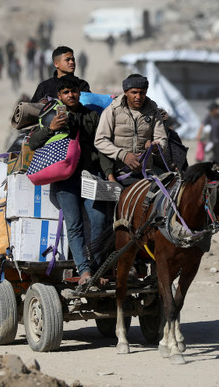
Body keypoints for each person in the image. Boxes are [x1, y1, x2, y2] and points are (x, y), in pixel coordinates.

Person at [29, 76, 113, 285]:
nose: (70, 95)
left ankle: (98, 268)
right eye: (65, 93)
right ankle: (84, 271)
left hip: (91, 175)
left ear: (79, 93)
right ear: (60, 96)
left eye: (73, 91)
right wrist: (51, 128)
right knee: (74, 225)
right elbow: (33, 143)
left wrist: (109, 174)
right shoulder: (52, 115)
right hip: (65, 179)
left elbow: (100, 147)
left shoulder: (92, 116)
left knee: (100, 222)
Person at [94, 74, 168, 184]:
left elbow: (162, 139)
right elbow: (100, 140)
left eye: (142, 92)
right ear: (125, 92)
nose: (138, 96)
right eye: (134, 92)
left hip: (146, 173)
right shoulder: (113, 110)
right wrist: (123, 156)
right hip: (119, 173)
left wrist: (156, 147)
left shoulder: (153, 112)